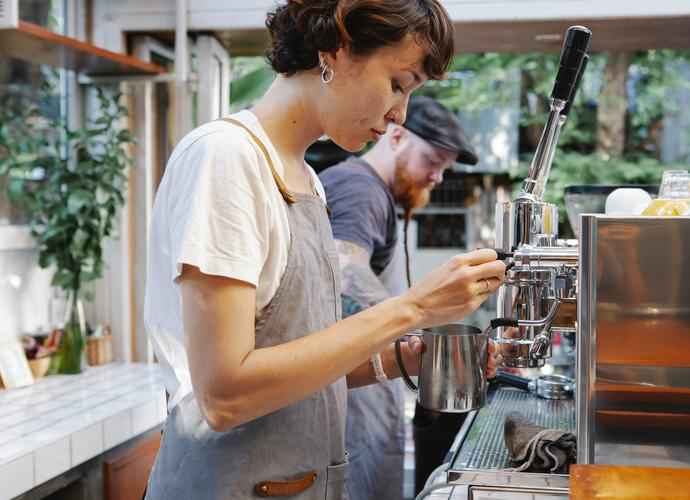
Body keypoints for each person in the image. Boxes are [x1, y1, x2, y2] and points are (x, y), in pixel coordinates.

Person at [142, 1, 506, 499]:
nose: (400, 113)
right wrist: (414, 307)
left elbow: (297, 363)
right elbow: (225, 394)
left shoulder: (307, 180)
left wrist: (405, 361)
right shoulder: (226, 159)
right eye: (398, 84)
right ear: (336, 49)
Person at [320, 95, 478, 500]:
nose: (438, 177)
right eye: (433, 160)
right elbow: (343, 273)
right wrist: (421, 329)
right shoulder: (361, 189)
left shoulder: (371, 191)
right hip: (349, 400)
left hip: (361, 389)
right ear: (395, 137)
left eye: (445, 167)